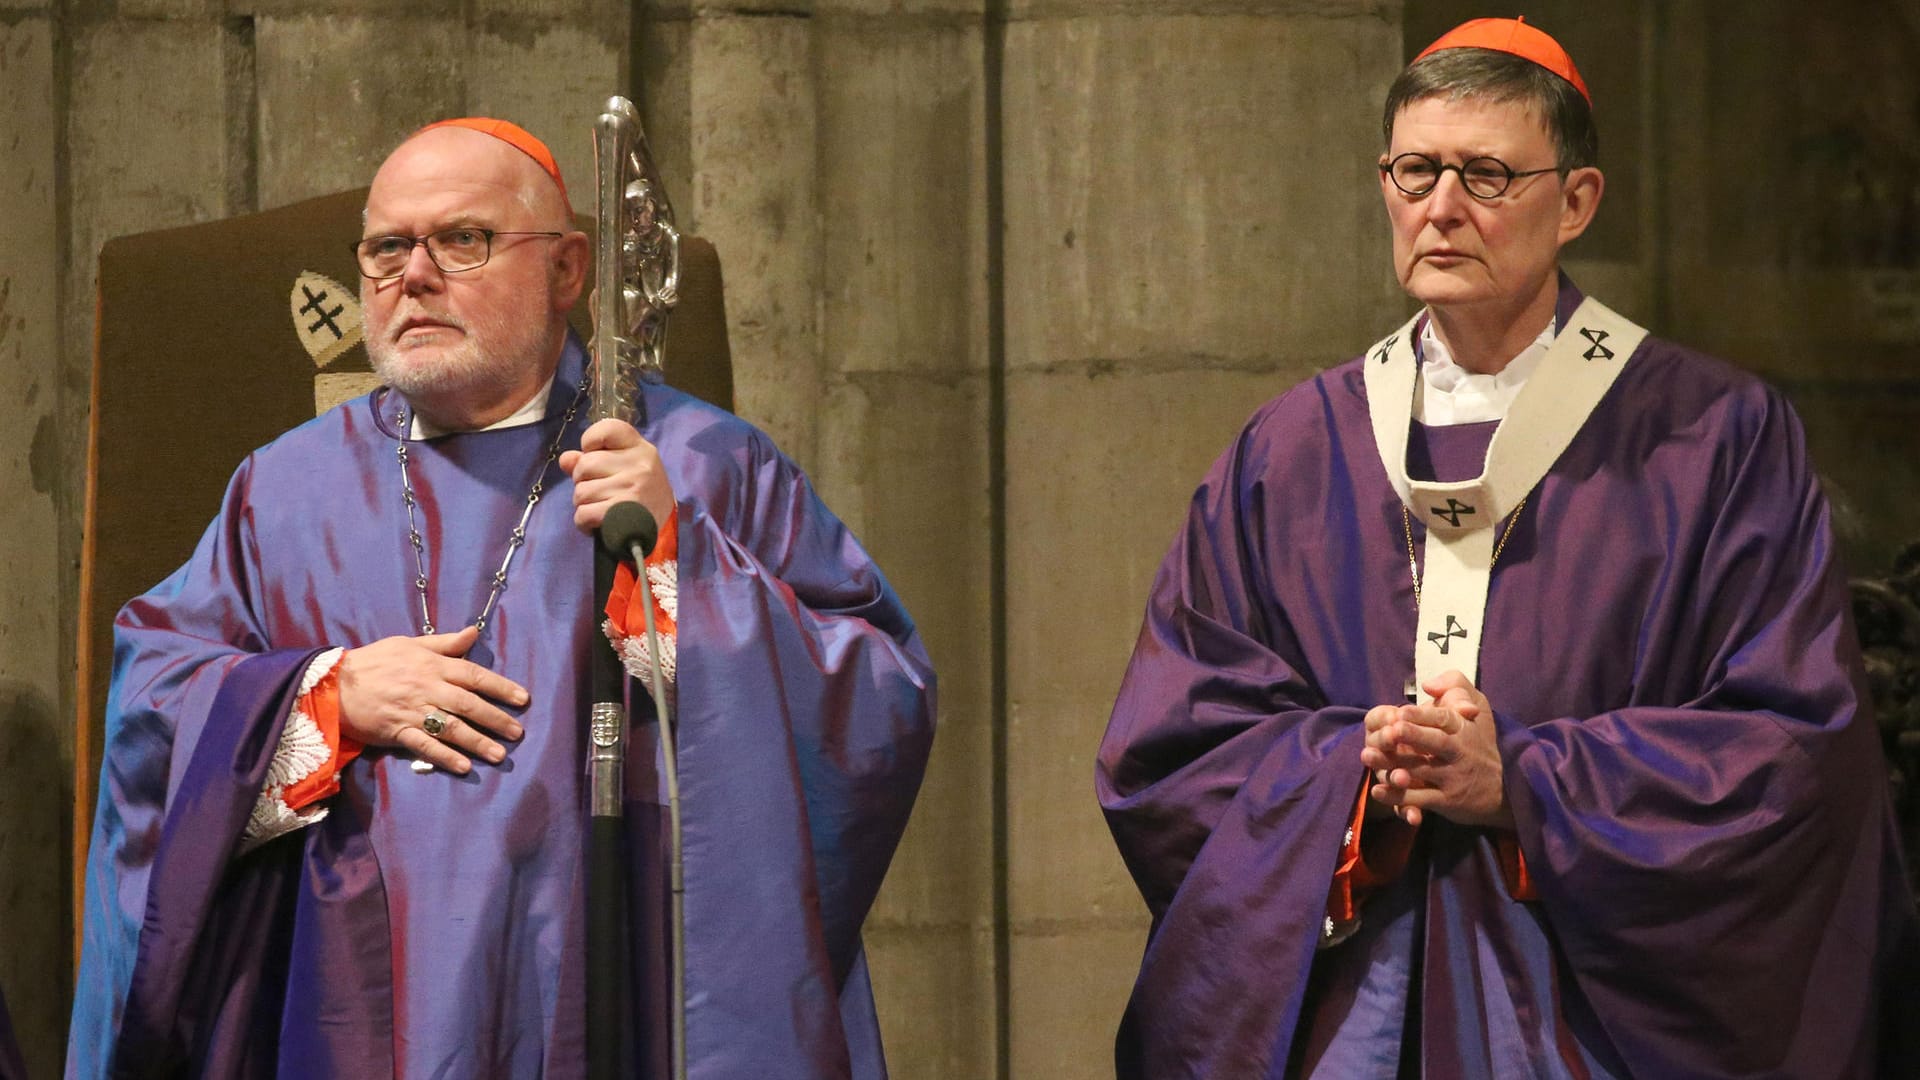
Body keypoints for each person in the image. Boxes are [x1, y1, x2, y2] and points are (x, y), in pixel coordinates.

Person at [1097, 17, 1919, 1077]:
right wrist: (1356, 786)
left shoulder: (1713, 439)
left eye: (1486, 174)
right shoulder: (1290, 452)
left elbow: (1793, 748)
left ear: (1576, 202)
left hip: (1585, 1009)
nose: (1441, 208)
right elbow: (1171, 743)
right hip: (1357, 1000)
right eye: (1415, 170)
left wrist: (1526, 781)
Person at [69, 117, 935, 1077]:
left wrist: (677, 569)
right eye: (387, 248)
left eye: (463, 240)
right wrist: (322, 696)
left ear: (568, 271)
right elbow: (153, 702)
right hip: (350, 992)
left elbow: (878, 699)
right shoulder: (282, 492)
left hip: (610, 971)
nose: (416, 275)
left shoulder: (698, 463)